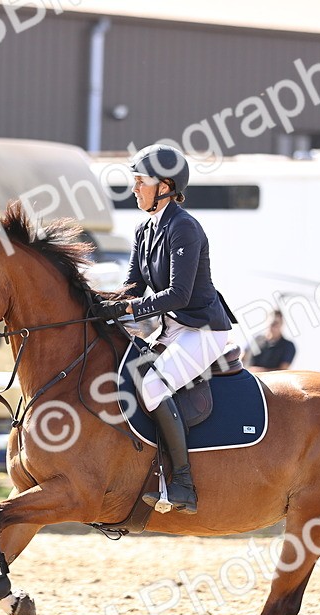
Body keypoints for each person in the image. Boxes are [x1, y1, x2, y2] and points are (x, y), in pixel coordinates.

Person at [94, 144, 234, 515]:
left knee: (153, 385)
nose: (135, 188)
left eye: (140, 181)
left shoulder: (184, 228)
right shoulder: (144, 230)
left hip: (203, 330)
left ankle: (183, 482)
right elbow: (132, 287)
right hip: (173, 331)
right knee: (122, 377)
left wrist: (126, 308)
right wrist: (90, 300)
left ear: (165, 186)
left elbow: (178, 294)